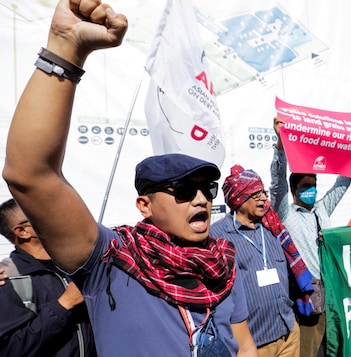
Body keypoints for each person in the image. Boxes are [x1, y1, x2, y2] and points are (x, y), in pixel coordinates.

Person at [1, 1, 257, 356]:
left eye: (206, 189)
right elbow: (30, 174)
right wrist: (64, 51)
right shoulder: (110, 260)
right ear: (144, 205)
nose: (201, 199)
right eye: (183, 190)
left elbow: (243, 344)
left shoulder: (221, 262)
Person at [209, 165, 315, 357]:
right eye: (256, 194)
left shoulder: (273, 227)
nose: (264, 199)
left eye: (263, 193)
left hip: (288, 334)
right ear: (238, 198)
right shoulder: (217, 236)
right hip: (253, 344)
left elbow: (278, 185)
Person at [270, 117, 351, 356]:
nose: (311, 191)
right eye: (306, 187)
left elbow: (342, 184)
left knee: (334, 346)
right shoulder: (285, 214)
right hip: (308, 293)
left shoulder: (322, 208)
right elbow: (277, 185)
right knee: (308, 349)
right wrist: (280, 145)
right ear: (295, 190)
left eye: (314, 185)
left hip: (334, 290)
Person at [0, 199, 97, 356]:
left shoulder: (79, 264)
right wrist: (64, 304)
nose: (59, 215)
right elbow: (11, 350)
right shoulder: (8, 278)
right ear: (23, 231)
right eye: (46, 212)